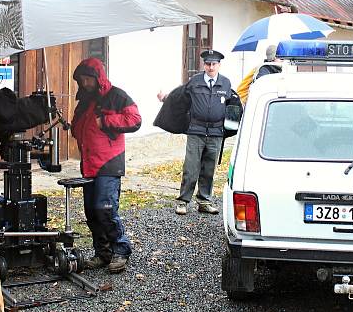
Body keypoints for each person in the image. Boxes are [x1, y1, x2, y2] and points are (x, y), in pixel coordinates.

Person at [71, 58, 141, 273]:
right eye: (81, 79)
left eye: (88, 78)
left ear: (97, 77)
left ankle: (121, 250)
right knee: (92, 211)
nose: (84, 82)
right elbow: (79, 127)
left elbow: (135, 120)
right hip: (90, 164)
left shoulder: (117, 96)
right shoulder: (85, 101)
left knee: (106, 209)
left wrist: (107, 121)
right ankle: (102, 253)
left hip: (109, 163)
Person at [159, 49, 233, 215]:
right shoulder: (194, 81)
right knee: (191, 167)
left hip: (215, 133)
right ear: (204, 65)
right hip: (196, 131)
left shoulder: (226, 83)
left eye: (214, 64)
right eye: (208, 64)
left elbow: (231, 105)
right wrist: (165, 98)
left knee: (209, 169)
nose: (211, 67)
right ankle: (183, 201)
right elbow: (179, 97)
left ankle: (204, 201)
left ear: (219, 65)